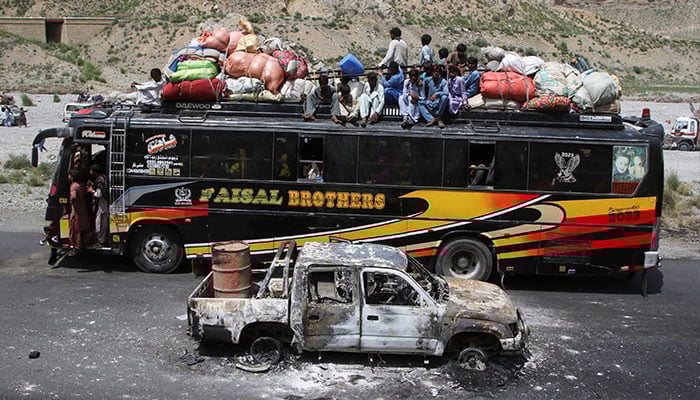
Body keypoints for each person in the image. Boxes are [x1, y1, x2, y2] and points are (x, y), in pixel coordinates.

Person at [417, 64, 448, 128]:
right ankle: (431, 119)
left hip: (438, 104)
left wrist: (437, 94)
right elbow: (420, 79)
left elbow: (446, 92)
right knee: (419, 103)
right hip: (429, 102)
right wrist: (420, 80)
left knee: (445, 97)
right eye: (434, 71)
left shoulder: (443, 81)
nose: (436, 73)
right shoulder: (428, 79)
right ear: (432, 72)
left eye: (437, 71)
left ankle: (438, 117)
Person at [68, 169, 90, 254]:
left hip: (76, 210)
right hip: (83, 208)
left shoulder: (73, 186)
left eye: (69, 175)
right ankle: (85, 243)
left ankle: (77, 246)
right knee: (84, 226)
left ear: (72, 177)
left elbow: (73, 196)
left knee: (76, 228)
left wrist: (72, 202)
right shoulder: (81, 185)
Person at [86, 164, 109, 246]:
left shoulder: (99, 180)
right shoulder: (104, 177)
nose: (90, 172)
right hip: (105, 203)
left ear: (95, 172)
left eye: (91, 170)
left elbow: (99, 194)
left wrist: (91, 190)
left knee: (100, 221)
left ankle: (100, 239)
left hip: (102, 203)